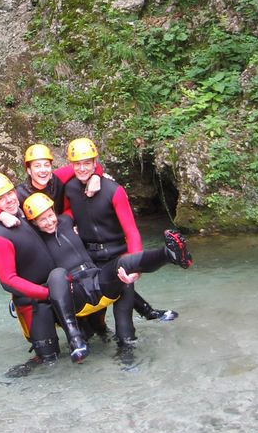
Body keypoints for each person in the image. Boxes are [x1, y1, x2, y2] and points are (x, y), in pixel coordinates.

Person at [22, 191, 192, 360]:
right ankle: (75, 339)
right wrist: (1, 217)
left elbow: (83, 199)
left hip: (96, 281)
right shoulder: (34, 238)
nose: (49, 222)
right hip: (75, 292)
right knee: (57, 275)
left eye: (50, 215)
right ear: (34, 223)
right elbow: (15, 232)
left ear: (54, 211)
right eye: (42, 220)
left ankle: (169, 254)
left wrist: (98, 174)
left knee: (121, 263)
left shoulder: (65, 220)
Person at [62, 137, 178, 346]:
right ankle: (148, 312)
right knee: (95, 326)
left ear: (95, 162)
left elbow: (131, 231)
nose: (81, 168)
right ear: (70, 165)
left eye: (87, 163)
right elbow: (65, 212)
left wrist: (134, 265)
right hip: (90, 261)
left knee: (124, 327)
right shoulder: (70, 189)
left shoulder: (113, 190)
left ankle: (129, 361)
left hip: (118, 256)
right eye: (77, 164)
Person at [0, 172, 88, 363]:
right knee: (49, 361)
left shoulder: (20, 214)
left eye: (10, 193)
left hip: (54, 292)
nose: (10, 200)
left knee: (88, 336)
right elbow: (8, 281)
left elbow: (67, 173)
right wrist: (47, 294)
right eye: (1, 199)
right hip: (34, 304)